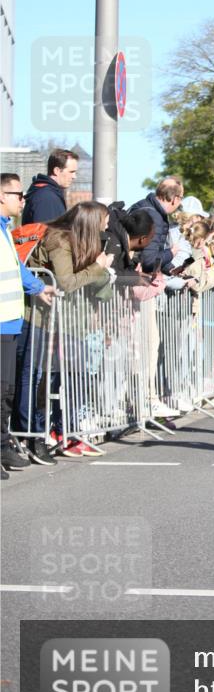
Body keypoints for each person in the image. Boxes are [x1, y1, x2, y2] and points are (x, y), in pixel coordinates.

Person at [17, 201, 114, 459]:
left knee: (51, 378)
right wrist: (99, 267)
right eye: (104, 221)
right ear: (90, 223)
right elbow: (66, 282)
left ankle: (49, 432)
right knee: (34, 377)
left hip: (54, 318)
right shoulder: (59, 240)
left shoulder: (75, 241)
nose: (107, 226)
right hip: (34, 317)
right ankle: (31, 435)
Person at [1, 174, 57, 475]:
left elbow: (16, 268)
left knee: (6, 390)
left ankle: (2, 446)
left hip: (10, 321)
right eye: (17, 194)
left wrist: (38, 287)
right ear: (1, 196)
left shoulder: (6, 231)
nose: (22, 201)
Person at [128, 177, 184, 273]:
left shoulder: (142, 206)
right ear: (175, 199)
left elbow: (148, 254)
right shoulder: (154, 217)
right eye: (181, 198)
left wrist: (171, 269)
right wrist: (171, 253)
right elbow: (148, 261)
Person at [21, 148, 79, 225]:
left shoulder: (48, 193)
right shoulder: (46, 197)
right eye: (71, 172)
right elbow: (47, 234)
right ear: (57, 171)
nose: (74, 176)